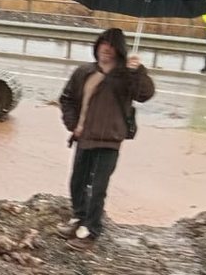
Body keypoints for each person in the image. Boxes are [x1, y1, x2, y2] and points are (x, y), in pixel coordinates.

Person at [58, 28, 155, 244]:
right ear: (97, 46)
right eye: (103, 43)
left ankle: (91, 229)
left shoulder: (127, 76)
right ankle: (79, 218)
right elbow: (66, 99)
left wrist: (137, 71)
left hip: (110, 140)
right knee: (77, 181)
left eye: (112, 45)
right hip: (84, 137)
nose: (107, 49)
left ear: (119, 50)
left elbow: (145, 94)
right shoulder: (84, 72)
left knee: (98, 187)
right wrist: (73, 125)